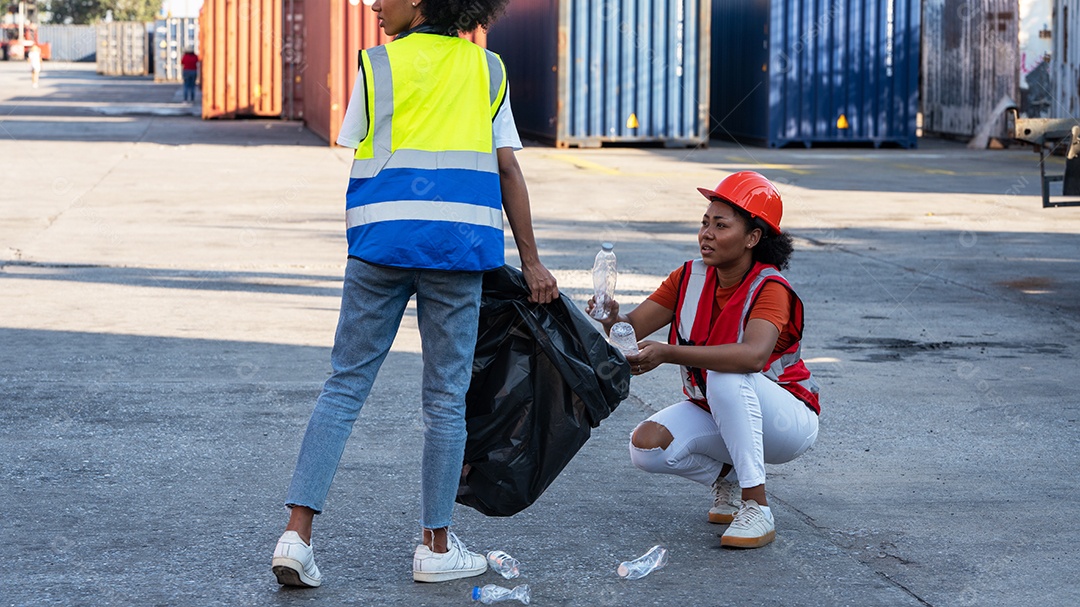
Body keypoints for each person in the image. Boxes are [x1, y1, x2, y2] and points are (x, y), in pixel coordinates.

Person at [271, 0, 558, 589]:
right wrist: (531, 262)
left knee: (344, 386)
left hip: (380, 244)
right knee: (446, 400)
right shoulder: (488, 70)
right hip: (457, 250)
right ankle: (435, 546)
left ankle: (296, 537)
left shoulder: (377, 65)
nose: (376, 4)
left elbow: (361, 148)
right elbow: (507, 170)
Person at [588, 171, 820, 549]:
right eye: (704, 223)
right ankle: (728, 476)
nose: (706, 234)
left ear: (753, 238)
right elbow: (631, 328)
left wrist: (668, 352)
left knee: (726, 376)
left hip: (787, 421)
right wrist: (610, 317)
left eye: (720, 225)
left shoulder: (770, 287)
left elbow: (752, 357)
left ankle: (757, 506)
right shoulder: (688, 276)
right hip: (722, 409)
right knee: (646, 446)